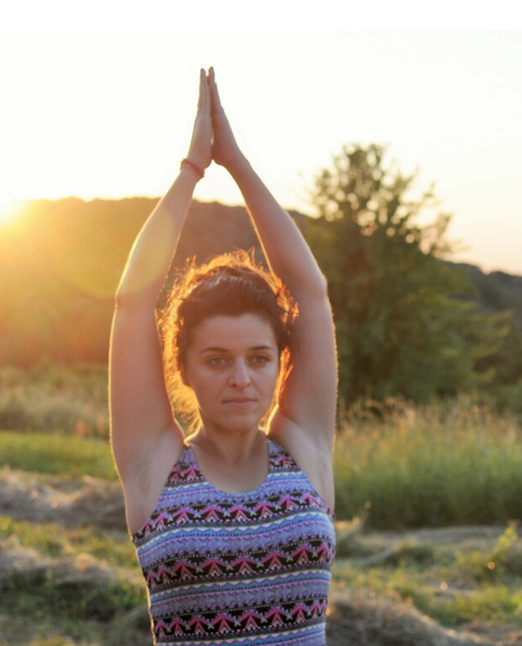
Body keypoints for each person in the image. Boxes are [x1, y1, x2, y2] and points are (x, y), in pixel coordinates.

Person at [109, 67, 337, 645]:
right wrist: (193, 169)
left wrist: (236, 162)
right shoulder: (155, 465)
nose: (241, 378)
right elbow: (133, 299)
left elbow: (309, 291)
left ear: (280, 363)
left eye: (258, 358)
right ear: (183, 369)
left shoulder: (303, 450)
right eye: (216, 360)